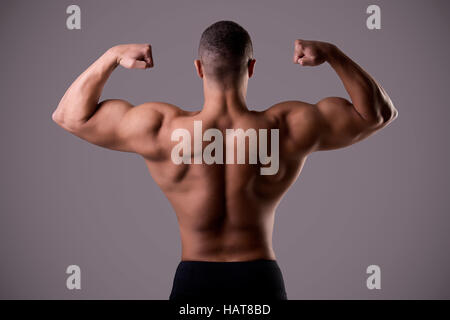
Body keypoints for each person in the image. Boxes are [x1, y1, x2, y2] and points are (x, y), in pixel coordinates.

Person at [52, 20, 398, 300]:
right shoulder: (286, 127)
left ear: (199, 68)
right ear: (251, 67)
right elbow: (377, 115)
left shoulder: (162, 128)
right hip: (260, 279)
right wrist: (332, 53)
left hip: (195, 281)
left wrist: (112, 56)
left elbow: (70, 117)